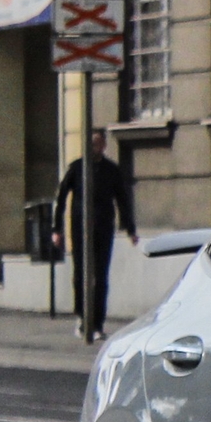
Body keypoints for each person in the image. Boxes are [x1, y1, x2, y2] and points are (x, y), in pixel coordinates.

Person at [53, 129, 137, 344]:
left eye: (99, 144)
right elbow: (61, 197)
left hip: (103, 228)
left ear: (104, 146)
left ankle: (97, 323)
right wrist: (57, 229)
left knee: (100, 277)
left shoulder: (111, 170)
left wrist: (130, 230)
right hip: (80, 229)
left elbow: (122, 200)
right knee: (81, 275)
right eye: (91, 144)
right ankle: (82, 317)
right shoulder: (77, 168)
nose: (95, 148)